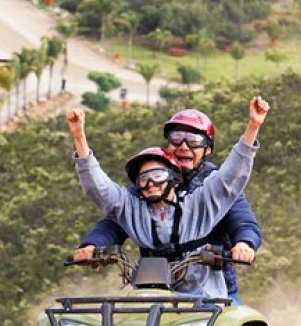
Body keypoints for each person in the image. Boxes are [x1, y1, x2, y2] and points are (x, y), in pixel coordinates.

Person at [66, 97, 270, 298]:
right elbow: (112, 211)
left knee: (232, 316)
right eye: (176, 138)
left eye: (193, 141)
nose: (183, 146)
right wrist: (92, 245)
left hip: (210, 288)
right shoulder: (139, 197)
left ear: (174, 179)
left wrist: (244, 244)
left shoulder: (210, 195)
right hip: (153, 287)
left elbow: (236, 189)